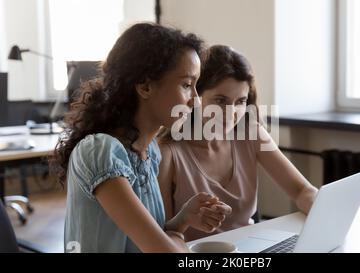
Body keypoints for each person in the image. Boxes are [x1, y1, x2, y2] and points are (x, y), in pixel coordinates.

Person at [50, 24, 231, 253]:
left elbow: (139, 240)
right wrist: (175, 238)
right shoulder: (100, 151)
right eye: (186, 85)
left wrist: (183, 219)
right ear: (145, 87)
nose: (195, 100)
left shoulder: (149, 151)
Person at [158, 45, 318, 241]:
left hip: (250, 249)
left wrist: (326, 214)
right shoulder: (167, 152)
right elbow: (162, 233)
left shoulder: (251, 134)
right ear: (194, 97)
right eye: (220, 100)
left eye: (240, 101)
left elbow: (302, 190)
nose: (231, 113)